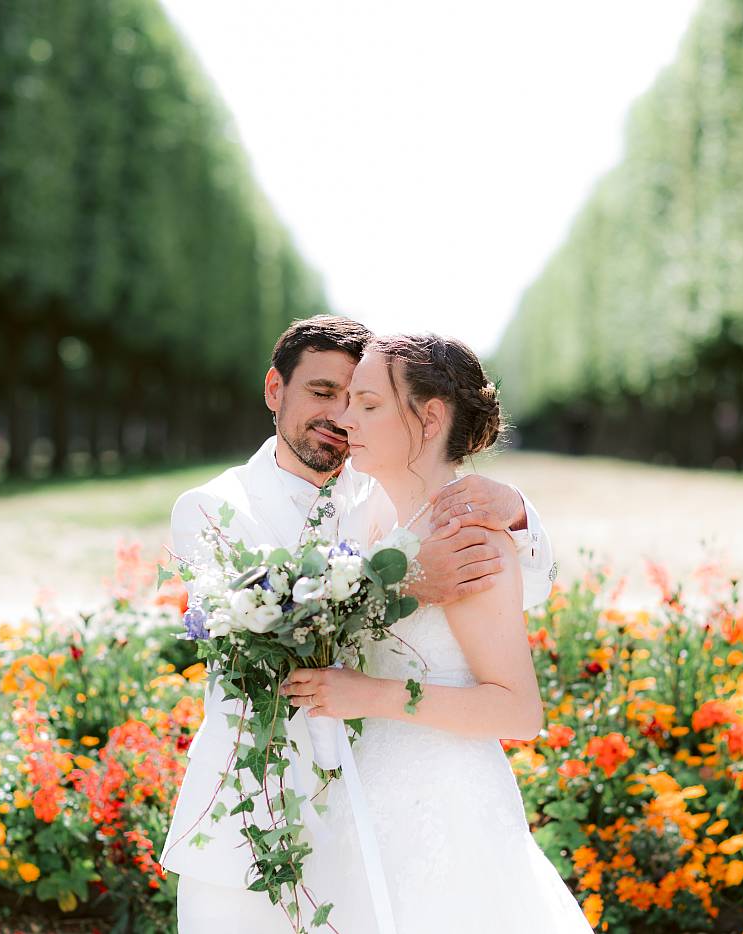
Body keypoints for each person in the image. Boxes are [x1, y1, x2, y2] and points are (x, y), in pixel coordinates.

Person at [163, 316, 559, 933]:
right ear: (275, 390)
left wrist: (519, 514)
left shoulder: (380, 493)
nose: (343, 417)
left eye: (360, 400)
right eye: (324, 393)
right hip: (260, 807)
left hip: (391, 803)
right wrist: (400, 578)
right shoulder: (216, 508)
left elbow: (512, 588)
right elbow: (251, 634)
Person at [284, 333, 594, 933]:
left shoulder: (470, 537)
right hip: (365, 792)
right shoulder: (363, 517)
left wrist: (367, 696)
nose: (345, 418)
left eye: (369, 404)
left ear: (428, 419)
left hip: (445, 805)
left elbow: (519, 711)